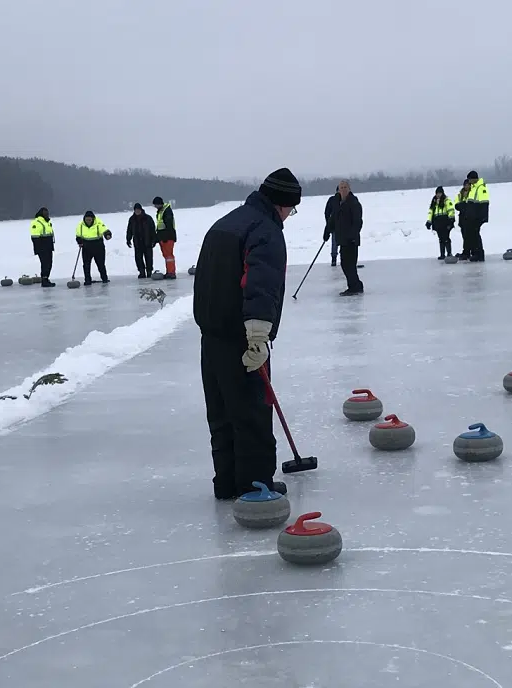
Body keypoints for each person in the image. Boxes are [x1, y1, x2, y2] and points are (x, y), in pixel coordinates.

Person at [193, 167, 301, 500]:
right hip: (242, 338)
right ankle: (256, 486)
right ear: (280, 203)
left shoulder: (225, 223)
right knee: (252, 412)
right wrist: (257, 336)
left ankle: (226, 482)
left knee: (222, 413)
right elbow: (260, 284)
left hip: (210, 335)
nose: (289, 215)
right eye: (290, 209)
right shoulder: (265, 230)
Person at [324, 179, 363, 295]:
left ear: (349, 189)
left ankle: (355, 287)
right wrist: (327, 230)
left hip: (351, 240)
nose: (343, 190)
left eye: (345, 187)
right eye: (341, 188)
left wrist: (352, 236)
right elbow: (332, 218)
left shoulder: (354, 202)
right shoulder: (337, 202)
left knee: (349, 264)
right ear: (338, 190)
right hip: (342, 238)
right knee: (345, 264)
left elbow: (358, 222)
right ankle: (356, 285)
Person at [458, 170, 490, 262]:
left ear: (473, 179)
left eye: (470, 180)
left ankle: (479, 254)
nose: (469, 182)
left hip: (477, 217)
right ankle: (475, 253)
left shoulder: (480, 188)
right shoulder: (474, 188)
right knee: (472, 235)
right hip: (472, 217)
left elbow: (484, 203)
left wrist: (480, 217)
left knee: (476, 235)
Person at [75, 210, 112, 285]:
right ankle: (87, 280)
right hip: (86, 247)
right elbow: (78, 235)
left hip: (98, 246)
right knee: (86, 265)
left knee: (100, 264)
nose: (88, 221)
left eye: (89, 219)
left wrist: (107, 234)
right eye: (87, 219)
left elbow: (104, 230)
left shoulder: (98, 223)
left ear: (93, 219)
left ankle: (104, 278)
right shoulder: (80, 225)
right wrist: (79, 241)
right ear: (84, 219)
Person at [126, 203, 156, 278]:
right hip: (137, 242)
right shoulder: (132, 219)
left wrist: (154, 240)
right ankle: (141, 272)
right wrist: (128, 239)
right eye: (136, 210)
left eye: (138, 210)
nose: (137, 211)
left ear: (141, 210)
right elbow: (129, 230)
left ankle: (149, 271)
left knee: (148, 258)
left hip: (147, 241)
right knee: (138, 258)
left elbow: (152, 230)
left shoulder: (148, 218)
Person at [425, 186, 455, 259]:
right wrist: (429, 221)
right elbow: (430, 212)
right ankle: (442, 254)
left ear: (442, 193)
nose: (438, 195)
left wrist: (451, 220)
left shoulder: (446, 200)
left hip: (445, 221)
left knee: (446, 238)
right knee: (441, 238)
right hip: (437, 222)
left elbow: (451, 210)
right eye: (437, 193)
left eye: (440, 193)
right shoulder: (434, 201)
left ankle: (449, 253)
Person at [30, 207, 55, 287]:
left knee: (49, 263)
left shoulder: (47, 222)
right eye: (45, 213)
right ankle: (44, 280)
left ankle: (46, 278)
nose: (47, 214)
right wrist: (38, 248)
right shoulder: (37, 222)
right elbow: (34, 236)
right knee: (45, 263)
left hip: (49, 246)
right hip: (42, 247)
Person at [152, 196, 177, 279]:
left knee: (169, 255)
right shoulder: (161, 211)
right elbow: (160, 226)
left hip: (168, 237)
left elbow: (169, 225)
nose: (155, 206)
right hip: (162, 237)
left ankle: (171, 272)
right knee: (166, 255)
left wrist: (166, 236)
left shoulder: (167, 211)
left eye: (155, 205)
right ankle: (169, 271)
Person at [454, 179, 471, 259]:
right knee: (464, 235)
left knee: (469, 236)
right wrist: (462, 206)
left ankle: (468, 252)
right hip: (462, 217)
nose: (466, 186)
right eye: (465, 185)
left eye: (468, 185)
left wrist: (463, 206)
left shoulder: (472, 193)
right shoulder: (460, 194)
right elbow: (456, 205)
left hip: (470, 217)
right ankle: (466, 251)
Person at [324, 187, 340, 266]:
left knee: (344, 244)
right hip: (335, 226)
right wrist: (328, 224)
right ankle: (334, 259)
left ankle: (345, 260)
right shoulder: (332, 200)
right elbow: (327, 213)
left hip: (345, 226)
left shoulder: (348, 199)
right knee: (335, 243)